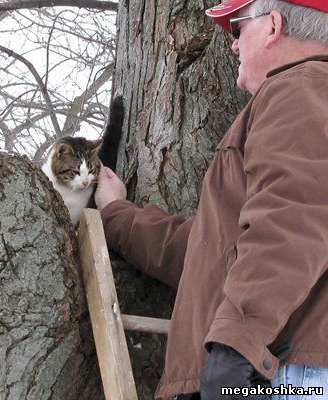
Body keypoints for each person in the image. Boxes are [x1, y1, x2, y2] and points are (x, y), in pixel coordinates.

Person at [94, 1, 328, 399]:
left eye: (238, 29)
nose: (232, 46)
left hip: (279, 372)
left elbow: (293, 220)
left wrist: (237, 343)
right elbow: (215, 253)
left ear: (273, 25)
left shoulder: (299, 87)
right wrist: (118, 216)